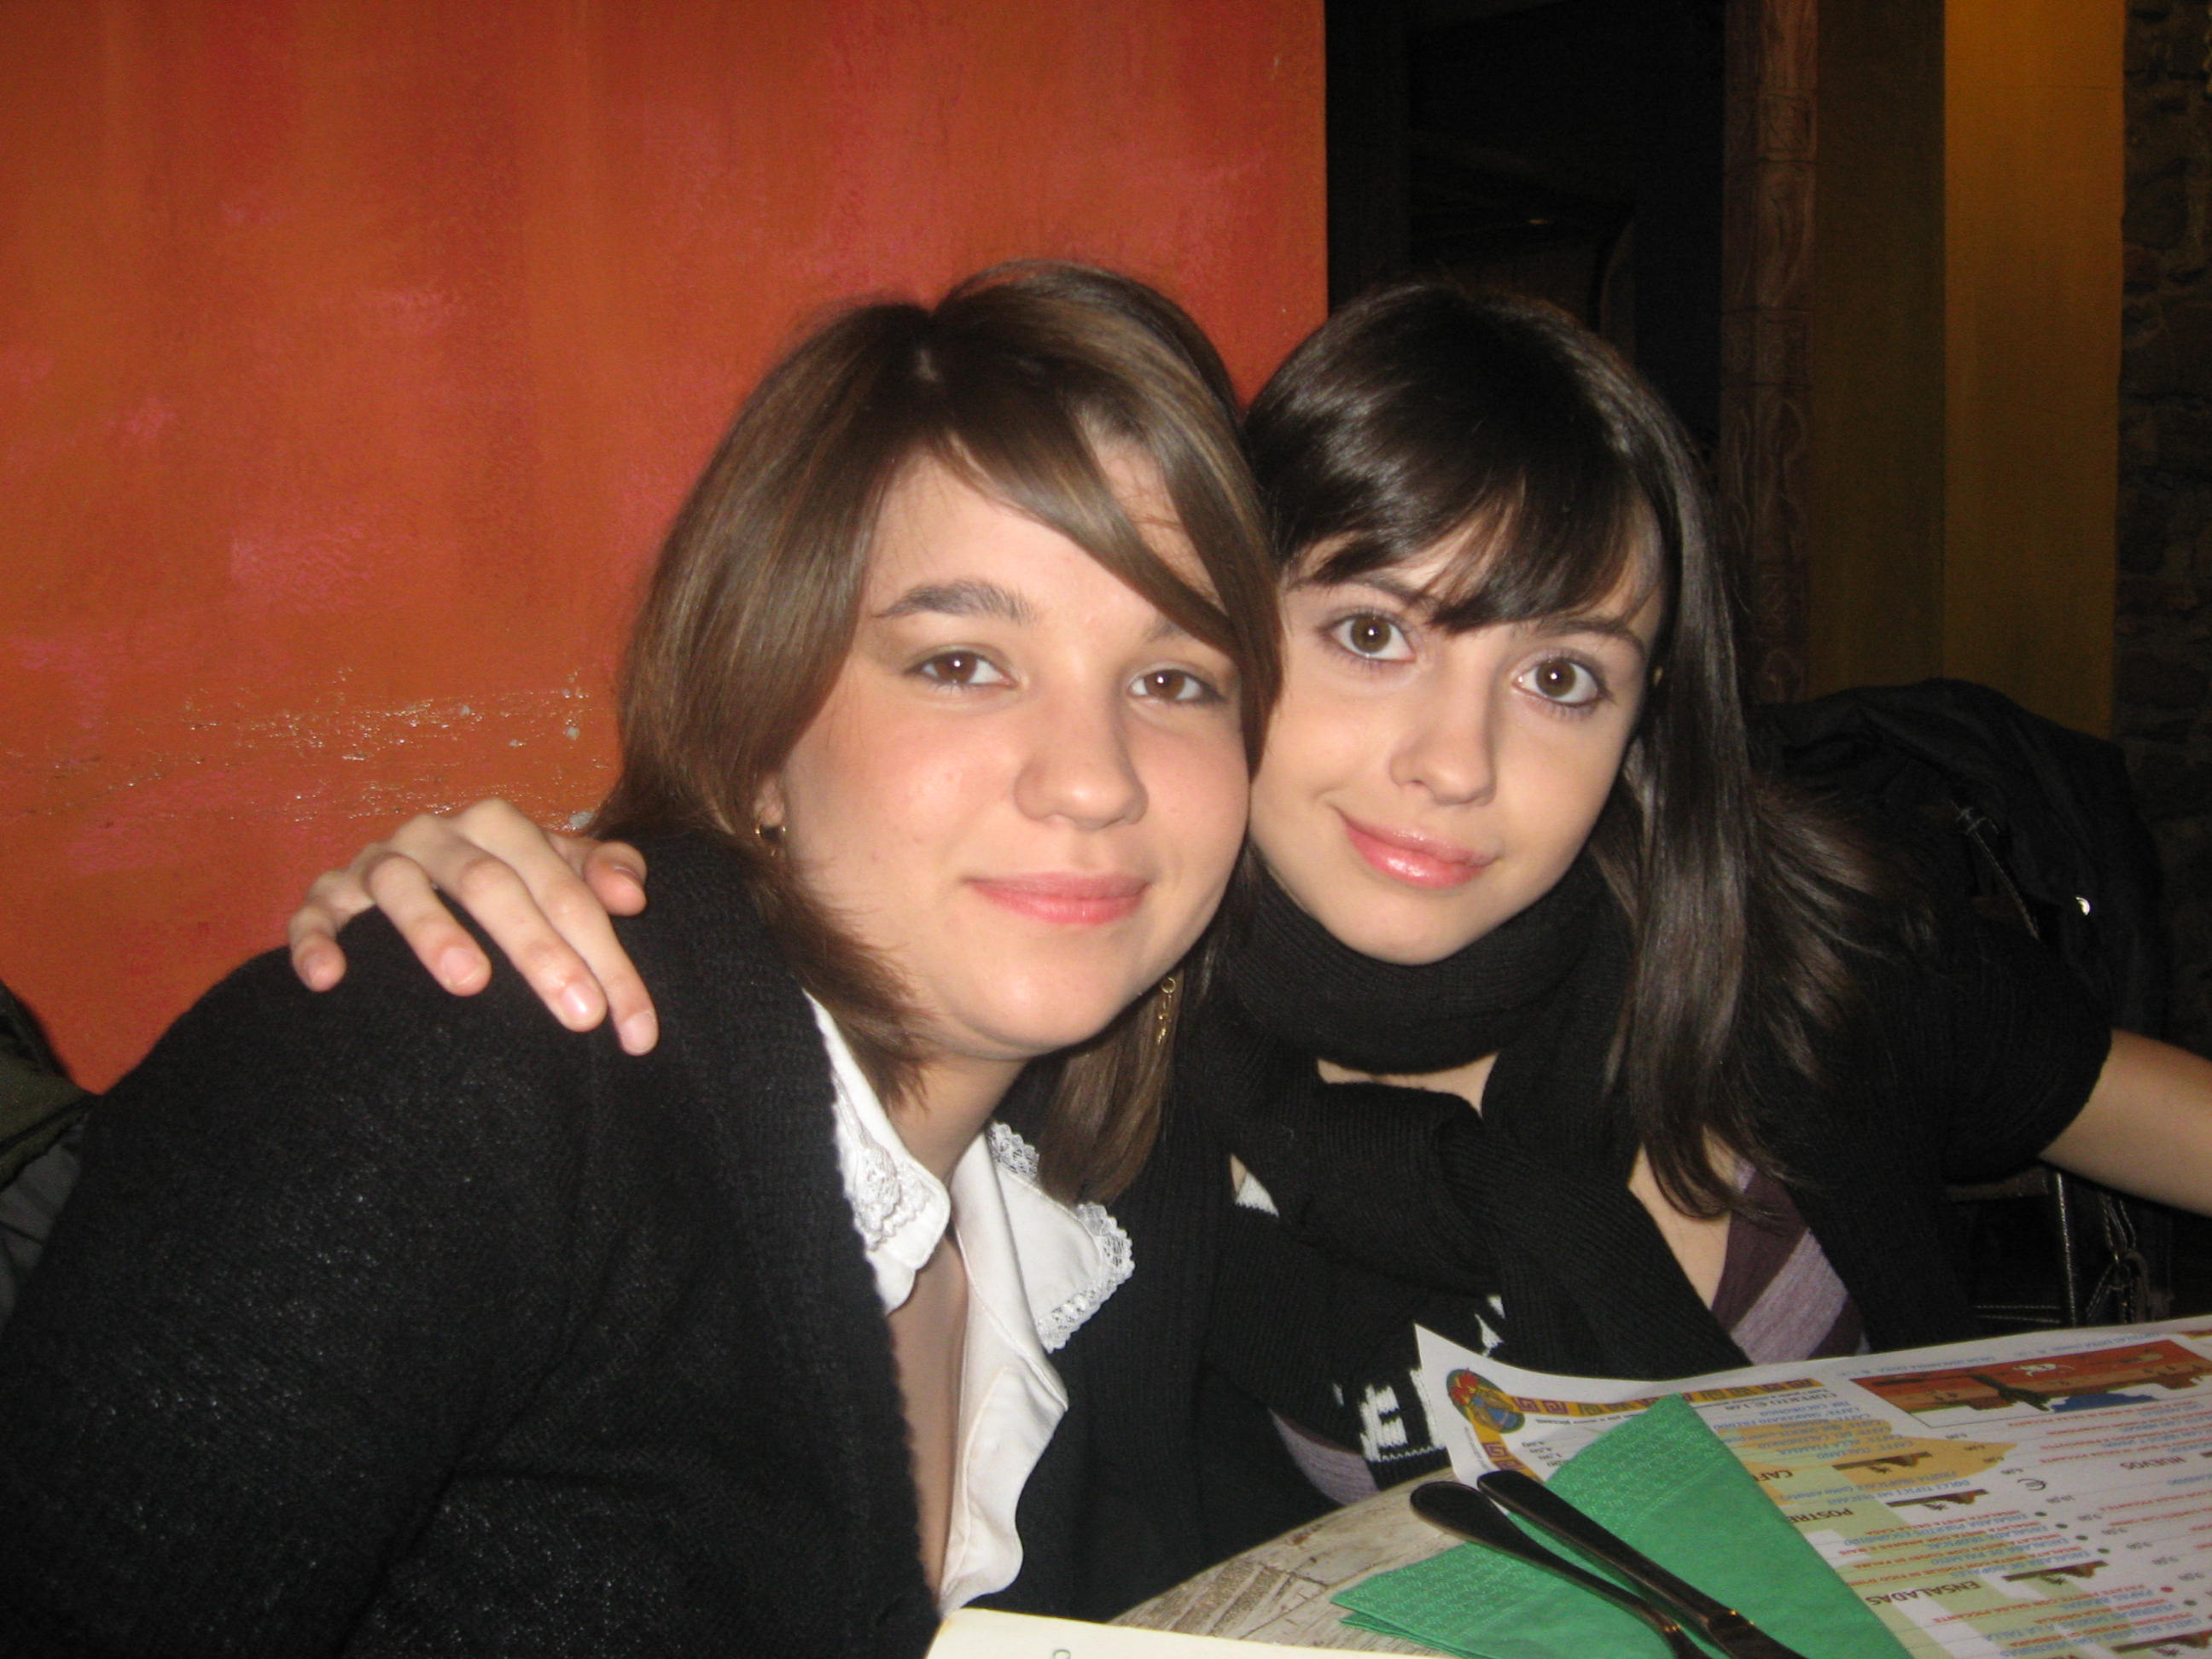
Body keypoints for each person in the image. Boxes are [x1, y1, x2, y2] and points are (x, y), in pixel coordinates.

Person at [283, 280, 2212, 1500]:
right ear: (1223, 634)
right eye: (1373, 632)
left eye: (1562, 676)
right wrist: (535, 880)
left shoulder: (1802, 947)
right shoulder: (1086, 1052)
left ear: (1643, 724)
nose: (1457, 763)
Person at [0, 263, 1295, 1656]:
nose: (1094, 779)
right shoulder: (462, 1076)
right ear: (756, 739)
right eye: (961, 662)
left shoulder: (1117, 1191)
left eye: (1174, 680)